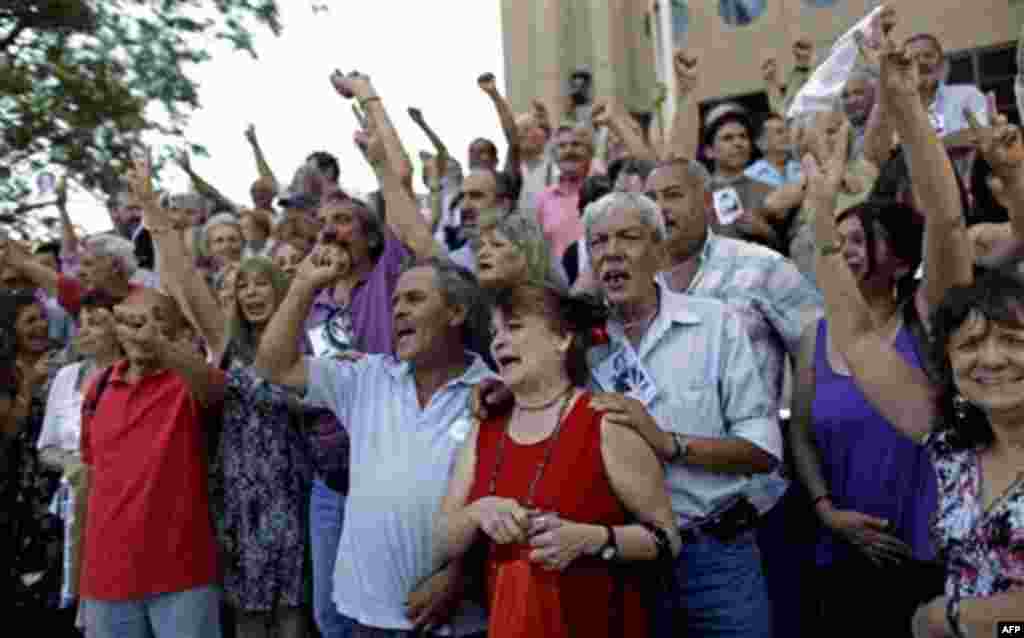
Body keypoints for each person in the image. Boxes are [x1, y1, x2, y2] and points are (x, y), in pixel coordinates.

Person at [805, 123, 1024, 638]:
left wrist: (956, 619)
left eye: (1013, 342)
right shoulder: (953, 443)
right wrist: (821, 215)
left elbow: (947, 224)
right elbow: (857, 338)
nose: (990, 359)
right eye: (970, 346)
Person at [255, 255, 493, 637]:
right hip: (367, 617)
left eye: (414, 299)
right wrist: (303, 285)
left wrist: (460, 576)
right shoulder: (367, 377)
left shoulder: (495, 393)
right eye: (395, 301)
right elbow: (273, 366)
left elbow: (509, 503)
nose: (398, 310)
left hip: (457, 620)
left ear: (456, 311)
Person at [581, 191, 781, 638]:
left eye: (628, 237)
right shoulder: (579, 345)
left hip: (716, 557)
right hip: (624, 562)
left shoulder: (714, 325)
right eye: (598, 242)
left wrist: (668, 443)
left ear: (658, 249)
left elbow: (763, 450)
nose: (611, 251)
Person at [435, 282, 680, 638]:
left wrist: (594, 539)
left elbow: (667, 539)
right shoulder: (484, 427)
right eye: (494, 333)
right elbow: (441, 540)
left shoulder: (604, 421)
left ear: (562, 339)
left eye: (514, 327)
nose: (498, 341)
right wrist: (478, 512)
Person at [647, 155, 823, 637]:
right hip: (657, 528)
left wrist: (801, 441)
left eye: (672, 195)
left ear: (707, 203)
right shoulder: (631, 287)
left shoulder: (761, 268)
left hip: (752, 514)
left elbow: (817, 353)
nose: (660, 208)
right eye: (651, 198)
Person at [80, 287, 225, 638]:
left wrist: (157, 344)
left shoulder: (187, 383)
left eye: (156, 322)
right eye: (132, 321)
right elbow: (90, 479)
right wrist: (80, 583)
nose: (141, 331)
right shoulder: (98, 388)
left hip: (182, 576)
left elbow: (216, 389)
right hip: (106, 581)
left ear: (177, 333)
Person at [37, 291, 121, 616]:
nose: (84, 331)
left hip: (117, 504)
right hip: (72, 503)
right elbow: (46, 448)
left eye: (97, 323)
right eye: (81, 324)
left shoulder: (131, 374)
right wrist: (71, 461)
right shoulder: (66, 376)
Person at [474, 209, 552, 291]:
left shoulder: (545, 301)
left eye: (497, 245)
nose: (482, 253)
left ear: (527, 255)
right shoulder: (481, 298)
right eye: (480, 245)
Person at [745, 113, 802, 187]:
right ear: (761, 142)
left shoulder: (801, 168)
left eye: (787, 131)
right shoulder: (750, 176)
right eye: (779, 132)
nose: (787, 135)